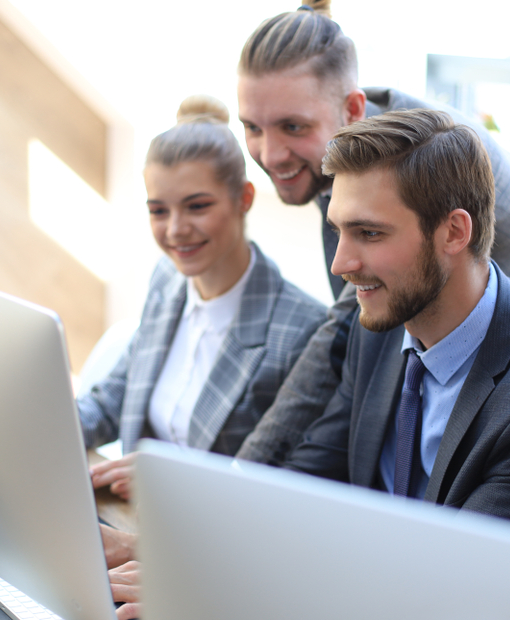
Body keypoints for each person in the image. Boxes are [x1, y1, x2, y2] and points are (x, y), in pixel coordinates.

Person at [234, 0, 510, 465]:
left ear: (352, 108)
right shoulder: (352, 151)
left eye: (293, 127)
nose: (270, 153)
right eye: (251, 127)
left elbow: (333, 343)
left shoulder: (402, 166)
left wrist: (235, 475)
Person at [283, 108, 510, 539]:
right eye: (339, 231)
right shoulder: (381, 326)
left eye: (369, 233)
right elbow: (311, 476)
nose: (340, 264)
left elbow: (454, 574)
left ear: (453, 232)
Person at [79, 95, 326, 501]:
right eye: (159, 211)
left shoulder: (302, 330)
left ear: (244, 199)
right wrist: (45, 428)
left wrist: (171, 479)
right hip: (130, 517)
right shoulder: (167, 280)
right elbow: (114, 398)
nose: (176, 230)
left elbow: (280, 485)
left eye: (196, 206)